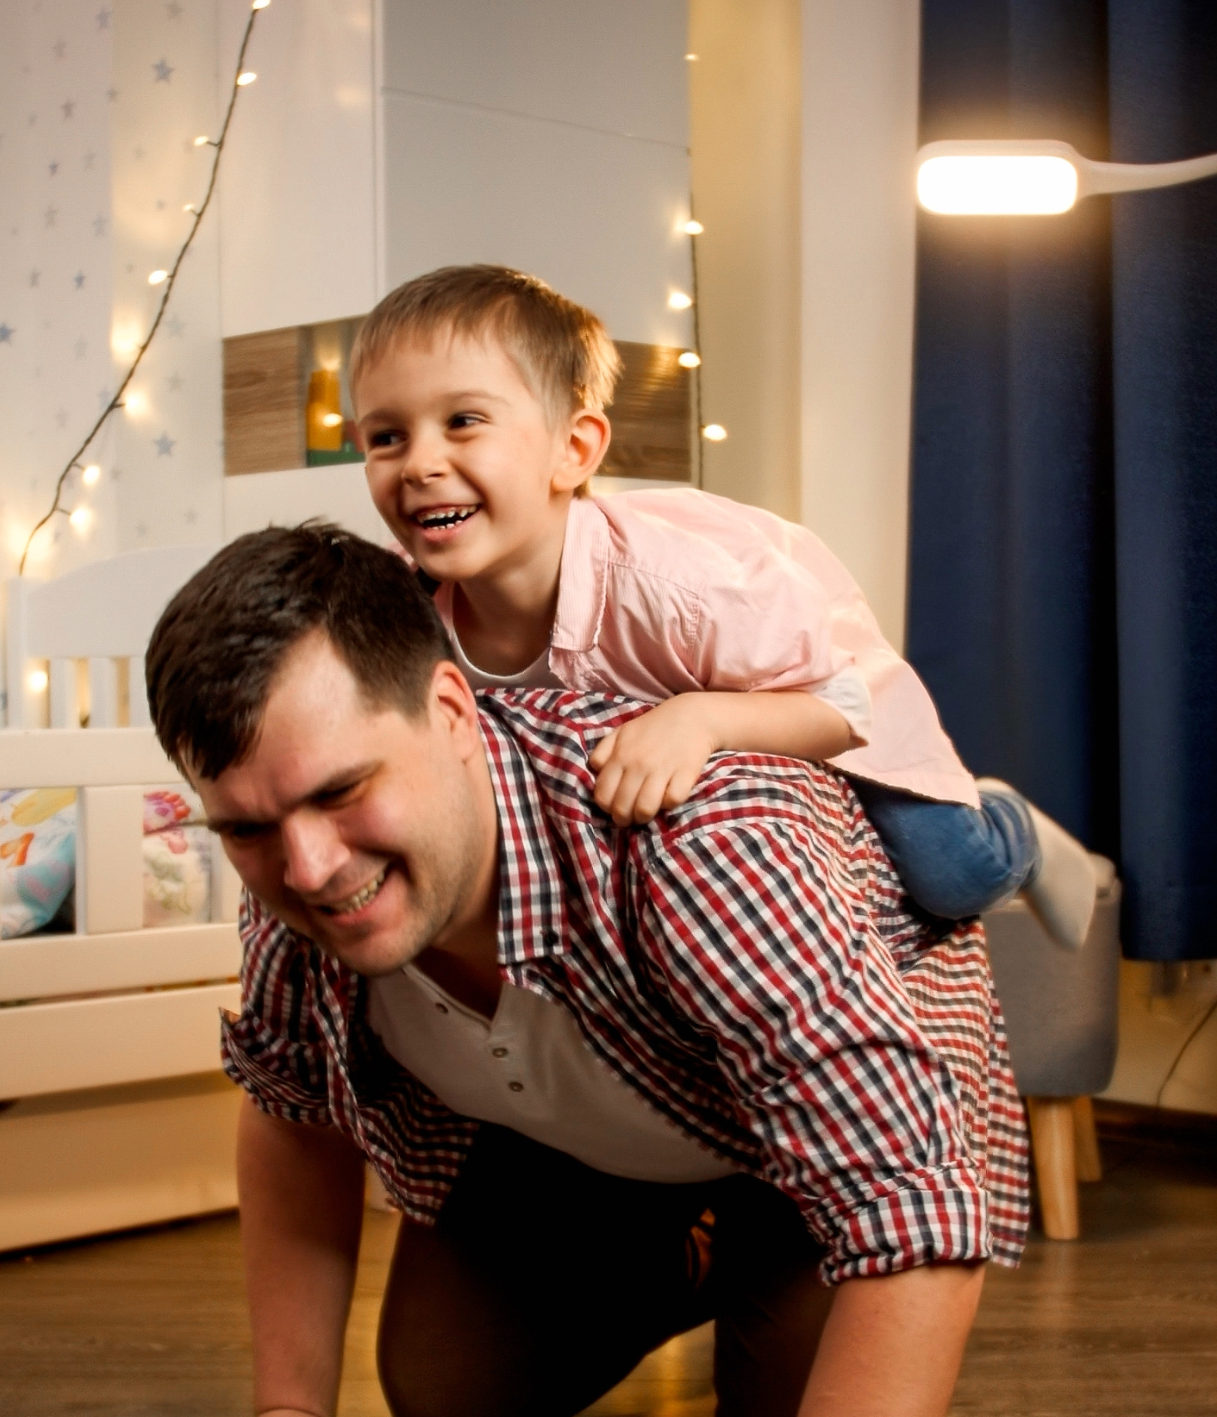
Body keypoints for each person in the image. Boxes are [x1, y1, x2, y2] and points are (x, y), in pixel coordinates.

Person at [128, 523, 1030, 1417]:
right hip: (591, 1132)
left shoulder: (710, 834)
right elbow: (292, 1102)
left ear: (449, 703)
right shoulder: (295, 883)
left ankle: (755, 1252)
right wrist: (288, 1404)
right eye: (247, 826)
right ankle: (681, 1250)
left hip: (818, 1163)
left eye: (341, 792)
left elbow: (916, 1212)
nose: (309, 867)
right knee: (448, 1399)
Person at [344, 262, 1104, 948]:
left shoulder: (678, 588)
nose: (420, 464)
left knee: (950, 875)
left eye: (463, 422)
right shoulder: (406, 607)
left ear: (573, 451)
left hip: (806, 692)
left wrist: (700, 717)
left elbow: (840, 704)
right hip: (688, 777)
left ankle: (1013, 827)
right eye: (386, 437)